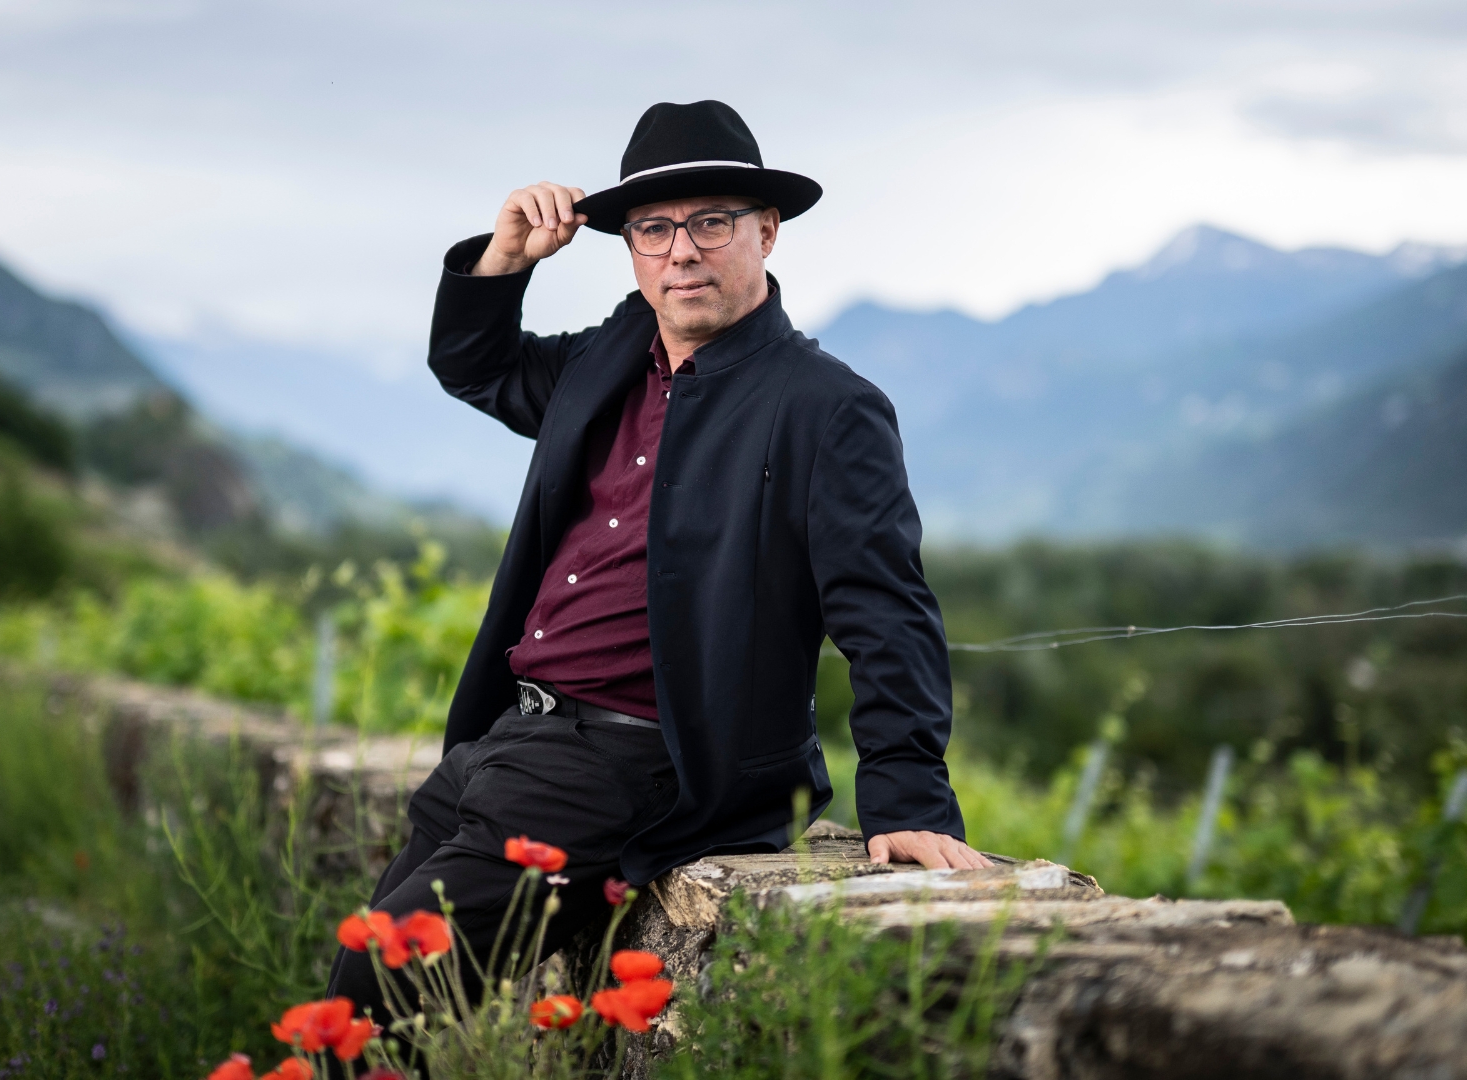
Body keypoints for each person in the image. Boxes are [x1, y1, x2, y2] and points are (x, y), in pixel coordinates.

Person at [328, 99, 986, 1016]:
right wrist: (504, 259)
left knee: (377, 985)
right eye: (653, 228)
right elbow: (475, 367)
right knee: (366, 994)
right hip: (506, 742)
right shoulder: (608, 356)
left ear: (766, 231)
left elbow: (885, 609)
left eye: (711, 223)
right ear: (630, 247)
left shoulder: (827, 406)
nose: (682, 250)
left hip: (635, 764)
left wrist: (909, 798)